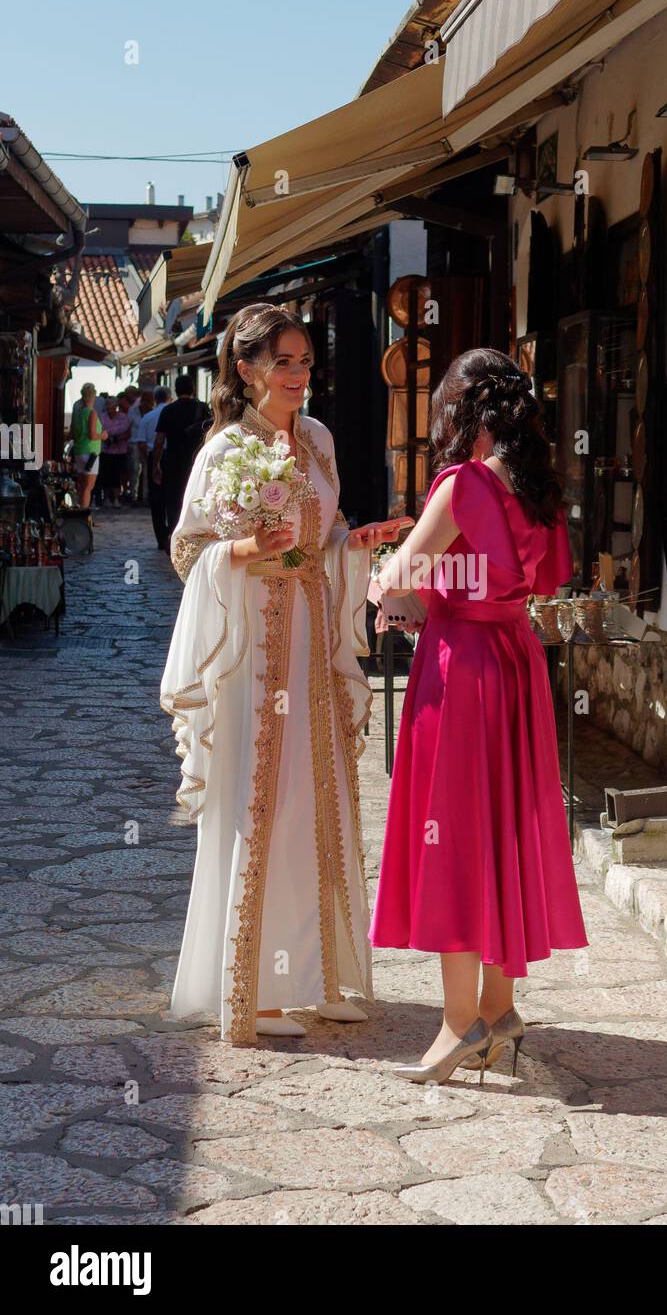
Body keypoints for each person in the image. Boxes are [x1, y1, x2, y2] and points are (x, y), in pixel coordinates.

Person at [160, 303, 409, 1045]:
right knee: (262, 801)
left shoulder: (320, 441)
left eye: (306, 362)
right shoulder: (224, 448)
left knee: (319, 796)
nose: (300, 376)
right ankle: (255, 991)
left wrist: (353, 542)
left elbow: (326, 534)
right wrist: (240, 552)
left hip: (309, 638)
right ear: (246, 369)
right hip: (253, 650)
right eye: (285, 362)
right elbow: (186, 550)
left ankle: (318, 975)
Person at [369, 348, 589, 1085]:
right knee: (502, 835)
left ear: (465, 413)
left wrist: (383, 583)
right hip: (516, 661)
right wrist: (433, 600)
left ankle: (459, 1025)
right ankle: (499, 1011)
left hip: (461, 671)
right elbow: (514, 580)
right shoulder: (537, 488)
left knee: (456, 838)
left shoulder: (464, 484)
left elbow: (401, 576)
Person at [151, 374, 207, 536]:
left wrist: (156, 464)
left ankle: (175, 534)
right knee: (197, 498)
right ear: (193, 388)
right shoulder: (202, 408)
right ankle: (195, 534)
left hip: (173, 461)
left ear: (175, 390)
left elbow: (159, 440)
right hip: (197, 461)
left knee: (174, 500)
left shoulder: (168, 410)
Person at [68, 383, 107, 508]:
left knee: (81, 485)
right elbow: (92, 435)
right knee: (88, 487)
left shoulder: (78, 413)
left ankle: (80, 512)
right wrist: (103, 435)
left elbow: (72, 433)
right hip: (91, 452)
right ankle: (84, 515)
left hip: (79, 451)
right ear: (93, 397)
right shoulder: (92, 413)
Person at [140, 387, 170, 548]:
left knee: (157, 500)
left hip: (154, 455)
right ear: (169, 398)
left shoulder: (147, 417)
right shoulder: (172, 412)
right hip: (172, 456)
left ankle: (161, 538)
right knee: (172, 497)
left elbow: (142, 443)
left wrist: (149, 461)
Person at [100, 397, 131, 507]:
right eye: (107, 404)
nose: (108, 407)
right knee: (106, 475)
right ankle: (107, 498)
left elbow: (127, 432)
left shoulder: (123, 417)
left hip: (119, 451)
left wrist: (117, 438)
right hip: (106, 450)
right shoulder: (102, 417)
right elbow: (101, 431)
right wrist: (108, 437)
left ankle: (117, 498)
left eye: (111, 405)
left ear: (116, 406)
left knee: (117, 475)